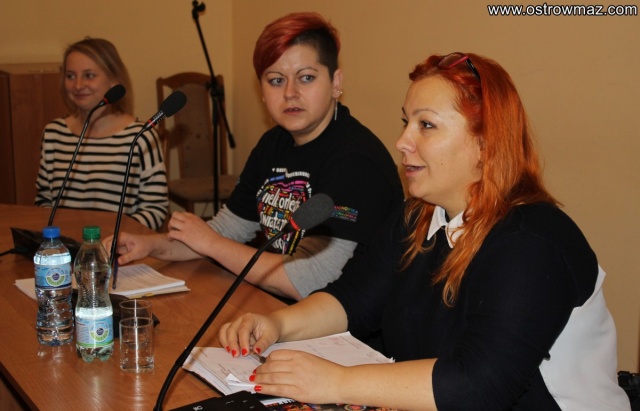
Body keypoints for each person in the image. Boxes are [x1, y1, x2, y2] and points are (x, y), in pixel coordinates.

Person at [218, 52, 631, 410]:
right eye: (406, 122)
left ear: (486, 144)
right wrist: (278, 325)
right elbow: (353, 300)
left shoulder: (533, 241)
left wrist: (336, 381)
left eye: (426, 125)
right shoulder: (416, 216)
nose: (402, 141)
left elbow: (479, 386)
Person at [107, 13, 404, 301]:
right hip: (281, 308)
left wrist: (212, 243)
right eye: (276, 80)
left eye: (306, 78)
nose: (290, 93)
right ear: (261, 90)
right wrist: (150, 245)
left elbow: (310, 280)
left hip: (346, 327)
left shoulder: (357, 162)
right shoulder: (273, 143)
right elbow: (227, 231)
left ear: (335, 82)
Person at [35, 37, 169, 230]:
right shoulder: (53, 134)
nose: (78, 85)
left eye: (89, 75)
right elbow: (44, 201)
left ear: (114, 81)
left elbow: (155, 209)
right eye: (70, 76)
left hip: (118, 244)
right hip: (63, 243)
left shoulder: (141, 136)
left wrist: (115, 237)